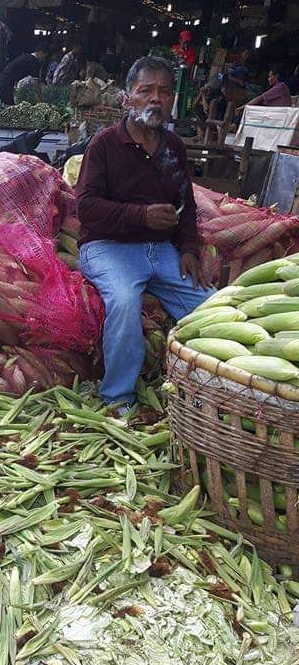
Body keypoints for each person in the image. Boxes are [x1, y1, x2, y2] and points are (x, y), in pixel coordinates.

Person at [75, 55, 212, 414]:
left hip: (161, 251)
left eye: (164, 92)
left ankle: (205, 391)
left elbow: (187, 205)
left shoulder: (174, 148)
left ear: (172, 102)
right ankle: (117, 399)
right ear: (128, 98)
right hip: (107, 248)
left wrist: (188, 249)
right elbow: (85, 208)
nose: (156, 99)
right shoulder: (104, 145)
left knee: (210, 307)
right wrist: (141, 215)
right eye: (145, 91)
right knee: (124, 301)